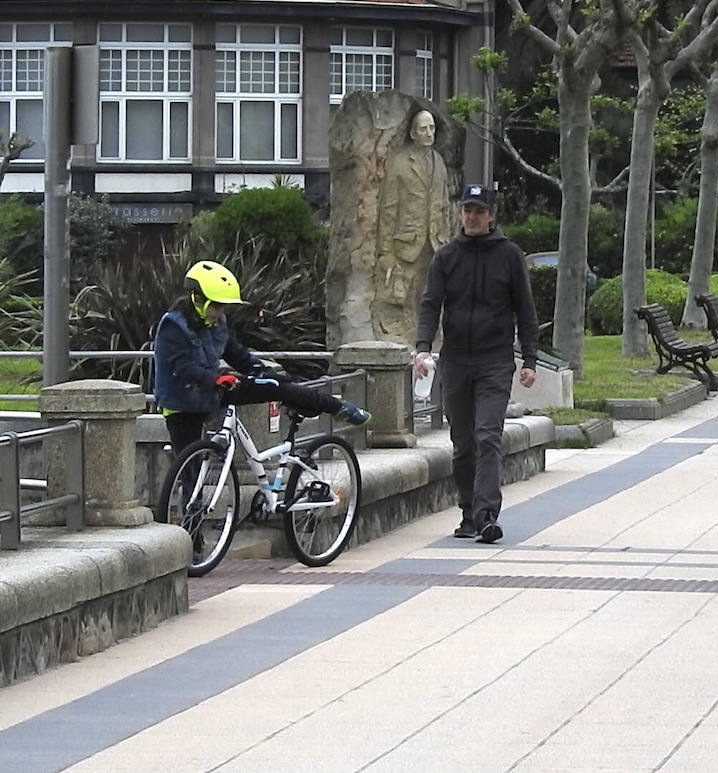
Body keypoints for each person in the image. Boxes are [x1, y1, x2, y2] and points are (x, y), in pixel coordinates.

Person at [414, 184, 539, 545]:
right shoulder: (446, 257)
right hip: (455, 360)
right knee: (463, 442)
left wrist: (529, 359)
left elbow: (525, 310)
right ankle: (469, 511)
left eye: (479, 210)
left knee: (488, 436)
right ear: (460, 214)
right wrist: (422, 349)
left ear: (492, 215)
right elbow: (429, 304)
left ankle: (487, 516)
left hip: (495, 360)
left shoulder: (510, 256)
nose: (472, 216)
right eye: (467, 210)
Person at [154, 260, 371, 459]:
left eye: (223, 307)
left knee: (278, 385)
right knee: (189, 467)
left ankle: (337, 407)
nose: (220, 312)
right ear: (198, 299)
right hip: (181, 402)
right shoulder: (173, 326)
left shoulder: (217, 322)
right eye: (217, 306)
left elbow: (235, 353)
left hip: (212, 392)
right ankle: (193, 500)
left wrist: (259, 370)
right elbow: (184, 367)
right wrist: (216, 380)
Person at [377, 109, 451, 340]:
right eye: (423, 129)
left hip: (435, 243)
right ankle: (409, 346)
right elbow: (388, 209)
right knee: (405, 299)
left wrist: (447, 239)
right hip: (407, 244)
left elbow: (445, 204)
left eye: (432, 128)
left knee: (433, 296)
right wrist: (385, 251)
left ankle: (428, 345)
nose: (429, 133)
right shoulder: (399, 162)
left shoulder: (439, 161)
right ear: (412, 133)